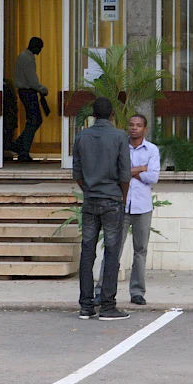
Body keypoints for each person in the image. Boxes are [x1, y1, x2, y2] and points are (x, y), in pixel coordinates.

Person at [72, 96, 132, 321]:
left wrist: (88, 190)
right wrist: (122, 197)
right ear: (112, 115)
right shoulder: (119, 136)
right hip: (112, 200)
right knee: (111, 252)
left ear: (93, 115)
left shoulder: (81, 136)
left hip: (90, 200)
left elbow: (76, 173)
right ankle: (107, 306)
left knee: (87, 252)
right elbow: (125, 173)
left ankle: (85, 306)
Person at [95, 114, 160, 306]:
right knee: (113, 249)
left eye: (139, 125)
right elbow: (114, 174)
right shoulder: (118, 146)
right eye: (131, 125)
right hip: (119, 205)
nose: (134, 128)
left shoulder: (152, 150)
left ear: (145, 129)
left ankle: (137, 292)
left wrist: (128, 172)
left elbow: (153, 177)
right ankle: (102, 292)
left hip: (142, 206)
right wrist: (140, 168)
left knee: (140, 250)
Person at [11, 37, 48, 162]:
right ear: (36, 47)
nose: (40, 51)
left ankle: (19, 144)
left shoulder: (23, 56)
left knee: (33, 120)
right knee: (34, 120)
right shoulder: (28, 59)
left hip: (24, 91)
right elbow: (32, 81)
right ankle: (23, 149)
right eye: (40, 48)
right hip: (28, 92)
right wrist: (43, 89)